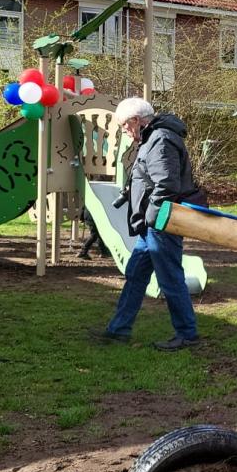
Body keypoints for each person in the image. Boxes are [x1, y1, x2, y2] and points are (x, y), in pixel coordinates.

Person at [94, 97, 202, 350]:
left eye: (124, 125)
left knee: (170, 278)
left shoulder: (161, 140)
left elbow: (166, 184)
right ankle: (118, 330)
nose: (124, 131)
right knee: (135, 274)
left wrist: (152, 218)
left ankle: (187, 334)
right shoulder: (153, 138)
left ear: (136, 120)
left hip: (160, 223)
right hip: (151, 224)